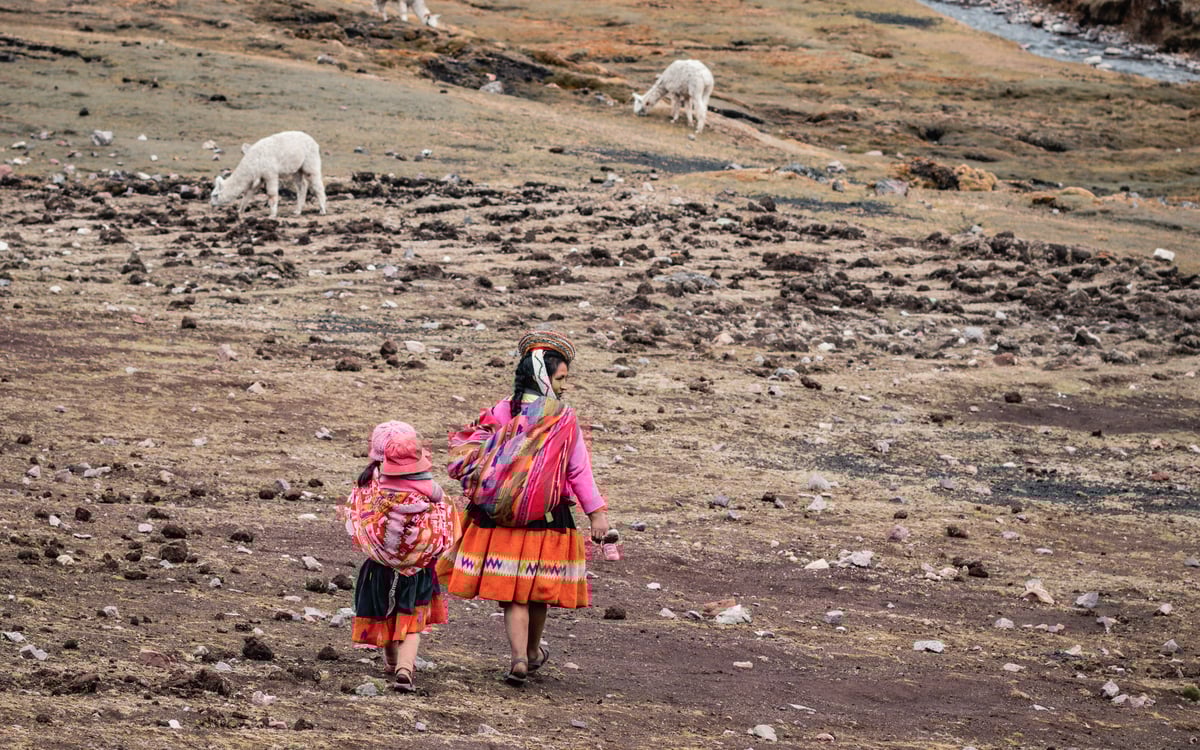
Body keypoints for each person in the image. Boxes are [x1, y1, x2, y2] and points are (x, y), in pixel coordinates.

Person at [446, 330, 610, 687]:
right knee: (537, 591)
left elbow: (472, 451)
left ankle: (520, 657)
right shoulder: (563, 418)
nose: (564, 386)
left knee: (512, 594)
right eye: (560, 378)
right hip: (545, 519)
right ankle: (532, 653)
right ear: (543, 377)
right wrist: (596, 512)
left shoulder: (501, 410)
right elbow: (577, 468)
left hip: (498, 519)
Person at [343, 421, 460, 693]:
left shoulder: (370, 486)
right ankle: (405, 669)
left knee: (386, 613)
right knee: (412, 620)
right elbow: (442, 511)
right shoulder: (429, 488)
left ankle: (390, 660)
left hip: (379, 566)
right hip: (418, 568)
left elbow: (356, 518)